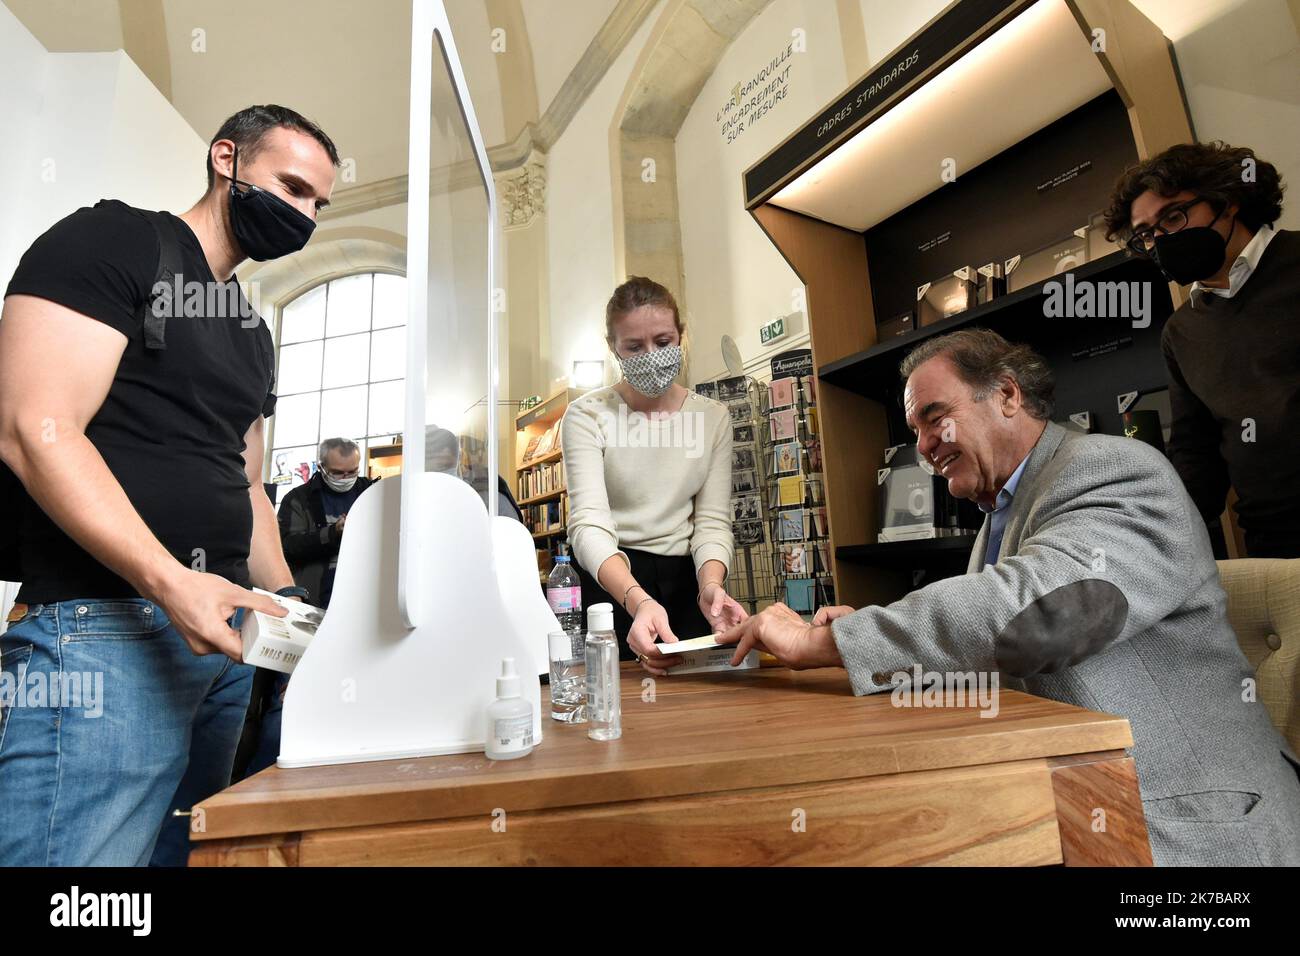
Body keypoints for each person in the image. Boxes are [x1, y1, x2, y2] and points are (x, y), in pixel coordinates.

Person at [717, 328, 1300, 866]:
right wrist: (866, 634)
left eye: (934, 417)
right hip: (1085, 799)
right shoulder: (1008, 511)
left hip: (1195, 822)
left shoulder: (1115, 467)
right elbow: (1001, 654)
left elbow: (1041, 616)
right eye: (914, 430)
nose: (923, 447)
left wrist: (824, 641)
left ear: (1007, 395)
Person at [0, 104, 340, 866]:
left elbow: (247, 484)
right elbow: (35, 426)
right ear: (227, 159)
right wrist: (170, 583)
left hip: (222, 653)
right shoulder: (113, 240)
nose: (304, 215)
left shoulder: (253, 333)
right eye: (290, 187)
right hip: (104, 633)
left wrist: (295, 611)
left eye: (318, 203)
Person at [1102, 141, 1298, 557]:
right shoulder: (1182, 331)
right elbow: (1198, 455)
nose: (1160, 241)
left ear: (1226, 202)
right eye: (1146, 235)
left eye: (1172, 217)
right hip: (1272, 546)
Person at [562, 276, 747, 674]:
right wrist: (637, 600)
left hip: (686, 582)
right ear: (614, 348)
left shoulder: (712, 417)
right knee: (620, 699)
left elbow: (712, 523)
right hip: (611, 578)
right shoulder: (588, 415)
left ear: (681, 337)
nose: (651, 355)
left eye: (662, 343)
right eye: (634, 346)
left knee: (695, 706)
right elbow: (589, 524)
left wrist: (712, 587)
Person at [236, 438, 373, 779]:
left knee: (359, 699)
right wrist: (333, 533)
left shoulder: (372, 495)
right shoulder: (299, 499)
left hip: (361, 614)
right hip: (309, 612)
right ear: (322, 467)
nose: (346, 477)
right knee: (289, 700)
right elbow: (285, 550)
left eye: (352, 471)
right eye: (338, 472)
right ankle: (262, 779)